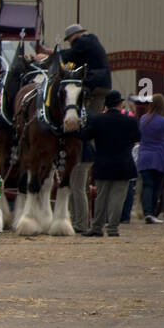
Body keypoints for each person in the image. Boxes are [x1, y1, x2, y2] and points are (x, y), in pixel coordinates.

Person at [40, 25, 111, 233]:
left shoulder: (83, 42)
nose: (71, 43)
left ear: (73, 37)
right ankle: (81, 222)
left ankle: (80, 224)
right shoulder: (93, 43)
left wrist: (48, 52)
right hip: (101, 84)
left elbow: (68, 55)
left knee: (77, 188)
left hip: (94, 84)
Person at [81, 91, 141, 237]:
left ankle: (97, 227)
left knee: (101, 196)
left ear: (105, 104)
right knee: (118, 197)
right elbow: (137, 138)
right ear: (120, 104)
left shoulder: (97, 119)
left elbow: (85, 136)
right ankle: (113, 228)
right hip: (124, 163)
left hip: (103, 163)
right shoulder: (130, 121)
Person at [137, 94, 164, 224]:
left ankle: (147, 212)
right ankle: (152, 212)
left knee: (147, 185)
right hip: (159, 156)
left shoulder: (143, 119)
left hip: (144, 156)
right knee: (156, 187)